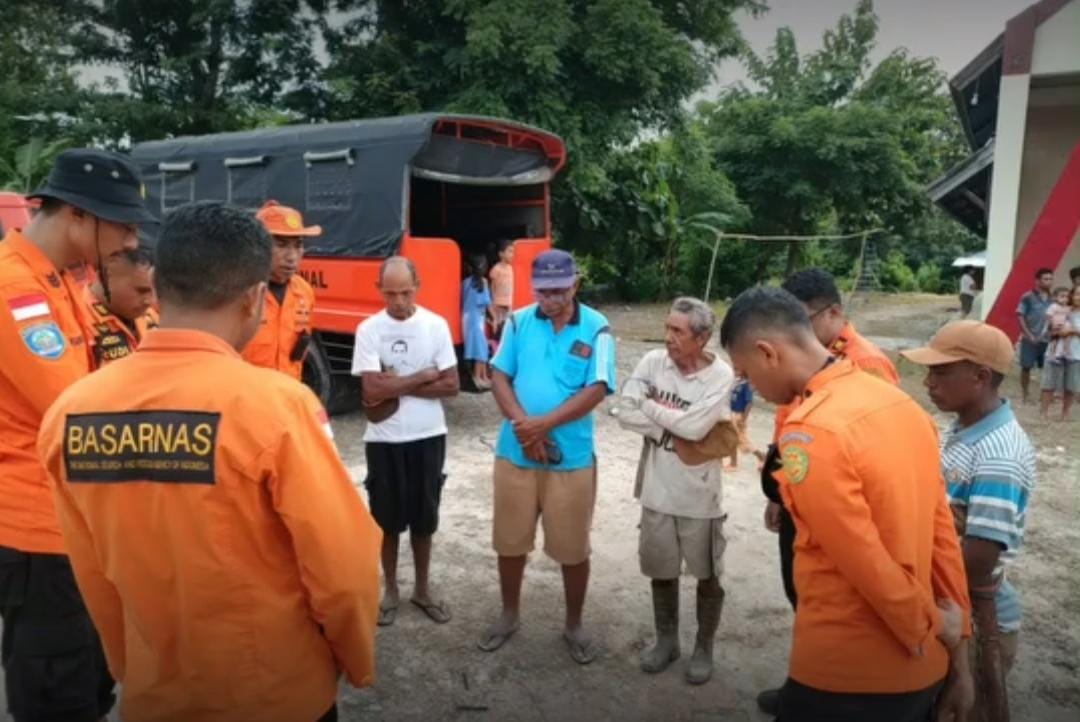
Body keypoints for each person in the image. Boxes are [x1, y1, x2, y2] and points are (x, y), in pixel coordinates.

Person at [37, 200, 381, 722]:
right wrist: (354, 661)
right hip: (275, 696)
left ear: (159, 287)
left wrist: (131, 667)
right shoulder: (280, 409)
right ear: (254, 298)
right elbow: (344, 570)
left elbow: (93, 575)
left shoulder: (69, 414)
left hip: (156, 695)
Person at [721, 286, 974, 722]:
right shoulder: (903, 405)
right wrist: (957, 645)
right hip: (924, 667)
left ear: (767, 353)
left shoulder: (812, 431)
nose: (751, 388)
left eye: (745, 373)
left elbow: (864, 560)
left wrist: (929, 624)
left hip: (848, 674)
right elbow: (943, 540)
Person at [0, 149, 147, 722]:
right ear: (78, 216)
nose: (132, 241)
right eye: (124, 225)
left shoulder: (60, 279)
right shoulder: (17, 289)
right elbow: (77, 409)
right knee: (56, 690)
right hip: (39, 530)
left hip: (74, 517)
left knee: (91, 676)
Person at [756, 267, 901, 715]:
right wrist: (777, 495)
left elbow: (878, 454)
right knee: (803, 594)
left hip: (839, 510)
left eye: (802, 321)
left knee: (843, 605)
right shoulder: (801, 360)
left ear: (834, 313)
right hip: (797, 498)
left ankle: (843, 693)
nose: (792, 333)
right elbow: (787, 424)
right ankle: (806, 682)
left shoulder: (868, 364)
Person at [477, 249, 616, 665]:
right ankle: (509, 614)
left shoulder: (596, 327)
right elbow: (500, 375)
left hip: (570, 459)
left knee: (573, 549)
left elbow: (597, 388)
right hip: (515, 452)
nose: (550, 299)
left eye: (559, 291)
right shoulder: (519, 322)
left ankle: (574, 624)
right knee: (510, 542)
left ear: (575, 285)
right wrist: (524, 427)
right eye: (543, 292)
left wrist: (543, 426)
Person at [902, 321, 1037, 722]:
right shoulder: (964, 427)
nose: (928, 383)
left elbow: (978, 559)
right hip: (955, 605)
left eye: (941, 372)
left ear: (980, 377)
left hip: (974, 616)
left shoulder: (999, 454)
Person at [616, 297, 733, 685]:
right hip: (657, 488)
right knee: (661, 570)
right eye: (667, 328)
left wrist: (651, 408)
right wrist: (670, 429)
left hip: (700, 494)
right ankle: (667, 641)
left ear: (701, 338)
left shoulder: (720, 376)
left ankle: (704, 647)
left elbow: (696, 430)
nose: (668, 337)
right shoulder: (653, 362)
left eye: (678, 331)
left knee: (707, 575)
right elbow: (624, 411)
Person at [352, 256, 460, 627]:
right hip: (383, 439)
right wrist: (423, 376)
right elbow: (370, 388)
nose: (398, 301)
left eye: (405, 292)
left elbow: (451, 385)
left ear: (418, 287)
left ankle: (423, 589)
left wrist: (394, 383)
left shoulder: (435, 325)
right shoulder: (369, 329)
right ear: (378, 289)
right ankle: (392, 591)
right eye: (390, 293)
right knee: (386, 519)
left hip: (428, 436)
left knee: (425, 517)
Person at [241, 200, 318, 380]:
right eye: (281, 245)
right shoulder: (236, 290)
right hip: (245, 393)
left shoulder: (304, 292)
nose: (292, 257)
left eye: (298, 245)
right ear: (257, 247)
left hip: (286, 391)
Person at [84, 244, 159, 365]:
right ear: (106, 277)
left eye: (154, 290)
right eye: (141, 291)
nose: (150, 301)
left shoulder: (152, 317)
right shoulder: (77, 320)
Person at [1040, 286, 1080, 421]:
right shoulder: (1059, 310)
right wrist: (1056, 332)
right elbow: (1046, 332)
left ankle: (1065, 413)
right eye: (1077, 294)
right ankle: (1043, 412)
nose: (1079, 297)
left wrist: (1072, 331)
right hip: (1054, 352)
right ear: (1071, 295)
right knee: (1048, 383)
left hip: (1076, 354)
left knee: (1071, 386)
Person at [1016, 267, 1054, 404]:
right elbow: (1020, 315)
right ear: (1037, 281)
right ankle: (1025, 394)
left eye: (1050, 279)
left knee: (1047, 368)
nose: (1049, 281)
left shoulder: (1053, 298)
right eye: (1045, 279)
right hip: (1030, 338)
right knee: (1026, 367)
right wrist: (1028, 334)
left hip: (1047, 339)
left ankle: (1044, 395)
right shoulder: (1027, 297)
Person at [462, 252, 493, 388]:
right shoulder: (483, 282)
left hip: (468, 317)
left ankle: (482, 376)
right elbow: (487, 303)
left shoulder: (465, 282)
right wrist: (494, 318)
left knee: (478, 346)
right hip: (477, 318)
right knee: (481, 347)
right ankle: (478, 376)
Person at [724, 376, 754, 469]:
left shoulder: (747, 385)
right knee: (736, 439)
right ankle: (761, 456)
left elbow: (749, 402)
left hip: (738, 415)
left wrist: (743, 418)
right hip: (731, 412)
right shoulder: (737, 382)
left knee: (736, 439)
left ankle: (733, 464)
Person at [489, 239, 515, 333]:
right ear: (501, 254)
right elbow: (492, 288)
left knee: (509, 329)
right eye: (510, 251)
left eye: (513, 252)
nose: (512, 255)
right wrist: (493, 306)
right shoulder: (496, 269)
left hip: (509, 304)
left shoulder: (511, 268)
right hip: (498, 306)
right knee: (499, 330)